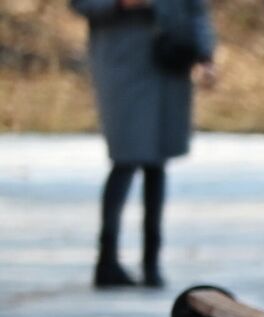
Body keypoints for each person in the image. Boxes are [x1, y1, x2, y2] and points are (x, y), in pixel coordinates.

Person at [70, 0, 215, 290]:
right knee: (126, 157)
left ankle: (152, 262)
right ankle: (107, 259)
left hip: (170, 61)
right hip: (122, 61)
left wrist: (205, 53)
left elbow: (196, 10)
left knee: (157, 162)